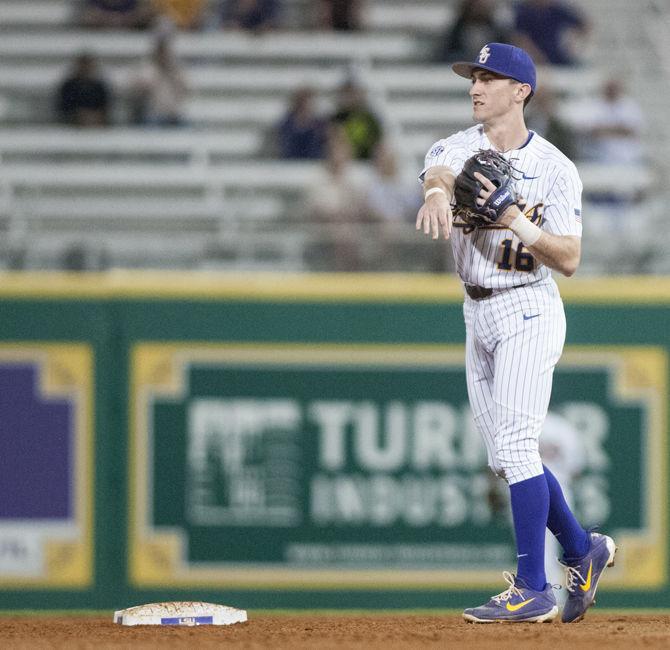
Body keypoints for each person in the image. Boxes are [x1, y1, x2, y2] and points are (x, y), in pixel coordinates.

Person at [415, 42, 616, 624]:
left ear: (520, 90)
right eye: (473, 77)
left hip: (527, 306)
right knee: (506, 458)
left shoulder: (555, 168)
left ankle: (534, 586)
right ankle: (583, 549)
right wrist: (434, 193)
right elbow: (440, 172)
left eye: (489, 77)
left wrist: (515, 221)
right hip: (475, 310)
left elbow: (571, 258)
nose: (476, 86)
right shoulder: (457, 145)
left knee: (517, 447)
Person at [129, 37, 188, 126]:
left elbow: (185, 89)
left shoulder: (176, 71)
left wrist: (171, 73)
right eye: (161, 54)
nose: (164, 57)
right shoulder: (148, 70)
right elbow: (137, 89)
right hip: (154, 116)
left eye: (166, 54)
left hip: (173, 116)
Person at [512, 0, 590, 66]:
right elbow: (520, 38)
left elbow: (583, 25)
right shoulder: (523, 12)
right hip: (534, 59)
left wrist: (572, 42)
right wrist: (537, 57)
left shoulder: (557, 11)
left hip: (557, 57)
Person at [435, 0, 510, 64]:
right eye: (475, 4)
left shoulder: (497, 32)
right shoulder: (455, 33)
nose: (479, 8)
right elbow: (446, 56)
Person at [330, 80, 383, 161]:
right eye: (346, 94)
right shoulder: (336, 118)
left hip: (366, 161)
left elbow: (378, 142)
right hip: (342, 160)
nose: (350, 98)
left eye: (353, 94)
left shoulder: (369, 118)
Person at [56, 52, 111, 127]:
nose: (85, 68)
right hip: (72, 123)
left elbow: (106, 106)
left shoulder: (99, 86)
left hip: (97, 123)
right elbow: (63, 107)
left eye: (88, 65)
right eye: (83, 65)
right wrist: (79, 115)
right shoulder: (69, 86)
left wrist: (95, 116)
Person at [276, 87, 328, 160]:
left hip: (315, 163)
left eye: (308, 102)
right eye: (302, 102)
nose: (305, 106)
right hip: (289, 164)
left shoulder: (321, 126)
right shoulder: (286, 125)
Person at [77, 0, 155, 29]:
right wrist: (110, 19)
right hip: (100, 32)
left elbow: (147, 12)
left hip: (131, 29)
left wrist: (124, 19)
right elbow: (87, 15)